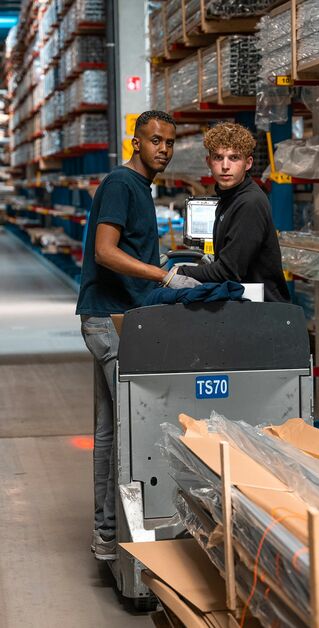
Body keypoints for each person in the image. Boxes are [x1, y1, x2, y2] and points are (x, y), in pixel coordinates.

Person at [76, 110, 199, 560]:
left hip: (112, 316)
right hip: (112, 319)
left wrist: (161, 263)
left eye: (169, 141)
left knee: (110, 429)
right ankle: (119, 538)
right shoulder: (121, 185)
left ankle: (106, 535)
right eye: (154, 140)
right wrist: (163, 277)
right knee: (131, 429)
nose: (163, 148)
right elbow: (105, 253)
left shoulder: (139, 188)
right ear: (136, 142)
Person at [173, 122, 290, 303]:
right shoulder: (229, 198)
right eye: (218, 158)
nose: (225, 166)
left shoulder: (249, 203)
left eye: (234, 158)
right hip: (244, 306)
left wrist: (178, 272)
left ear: (248, 163)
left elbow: (228, 272)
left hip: (264, 312)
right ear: (209, 162)